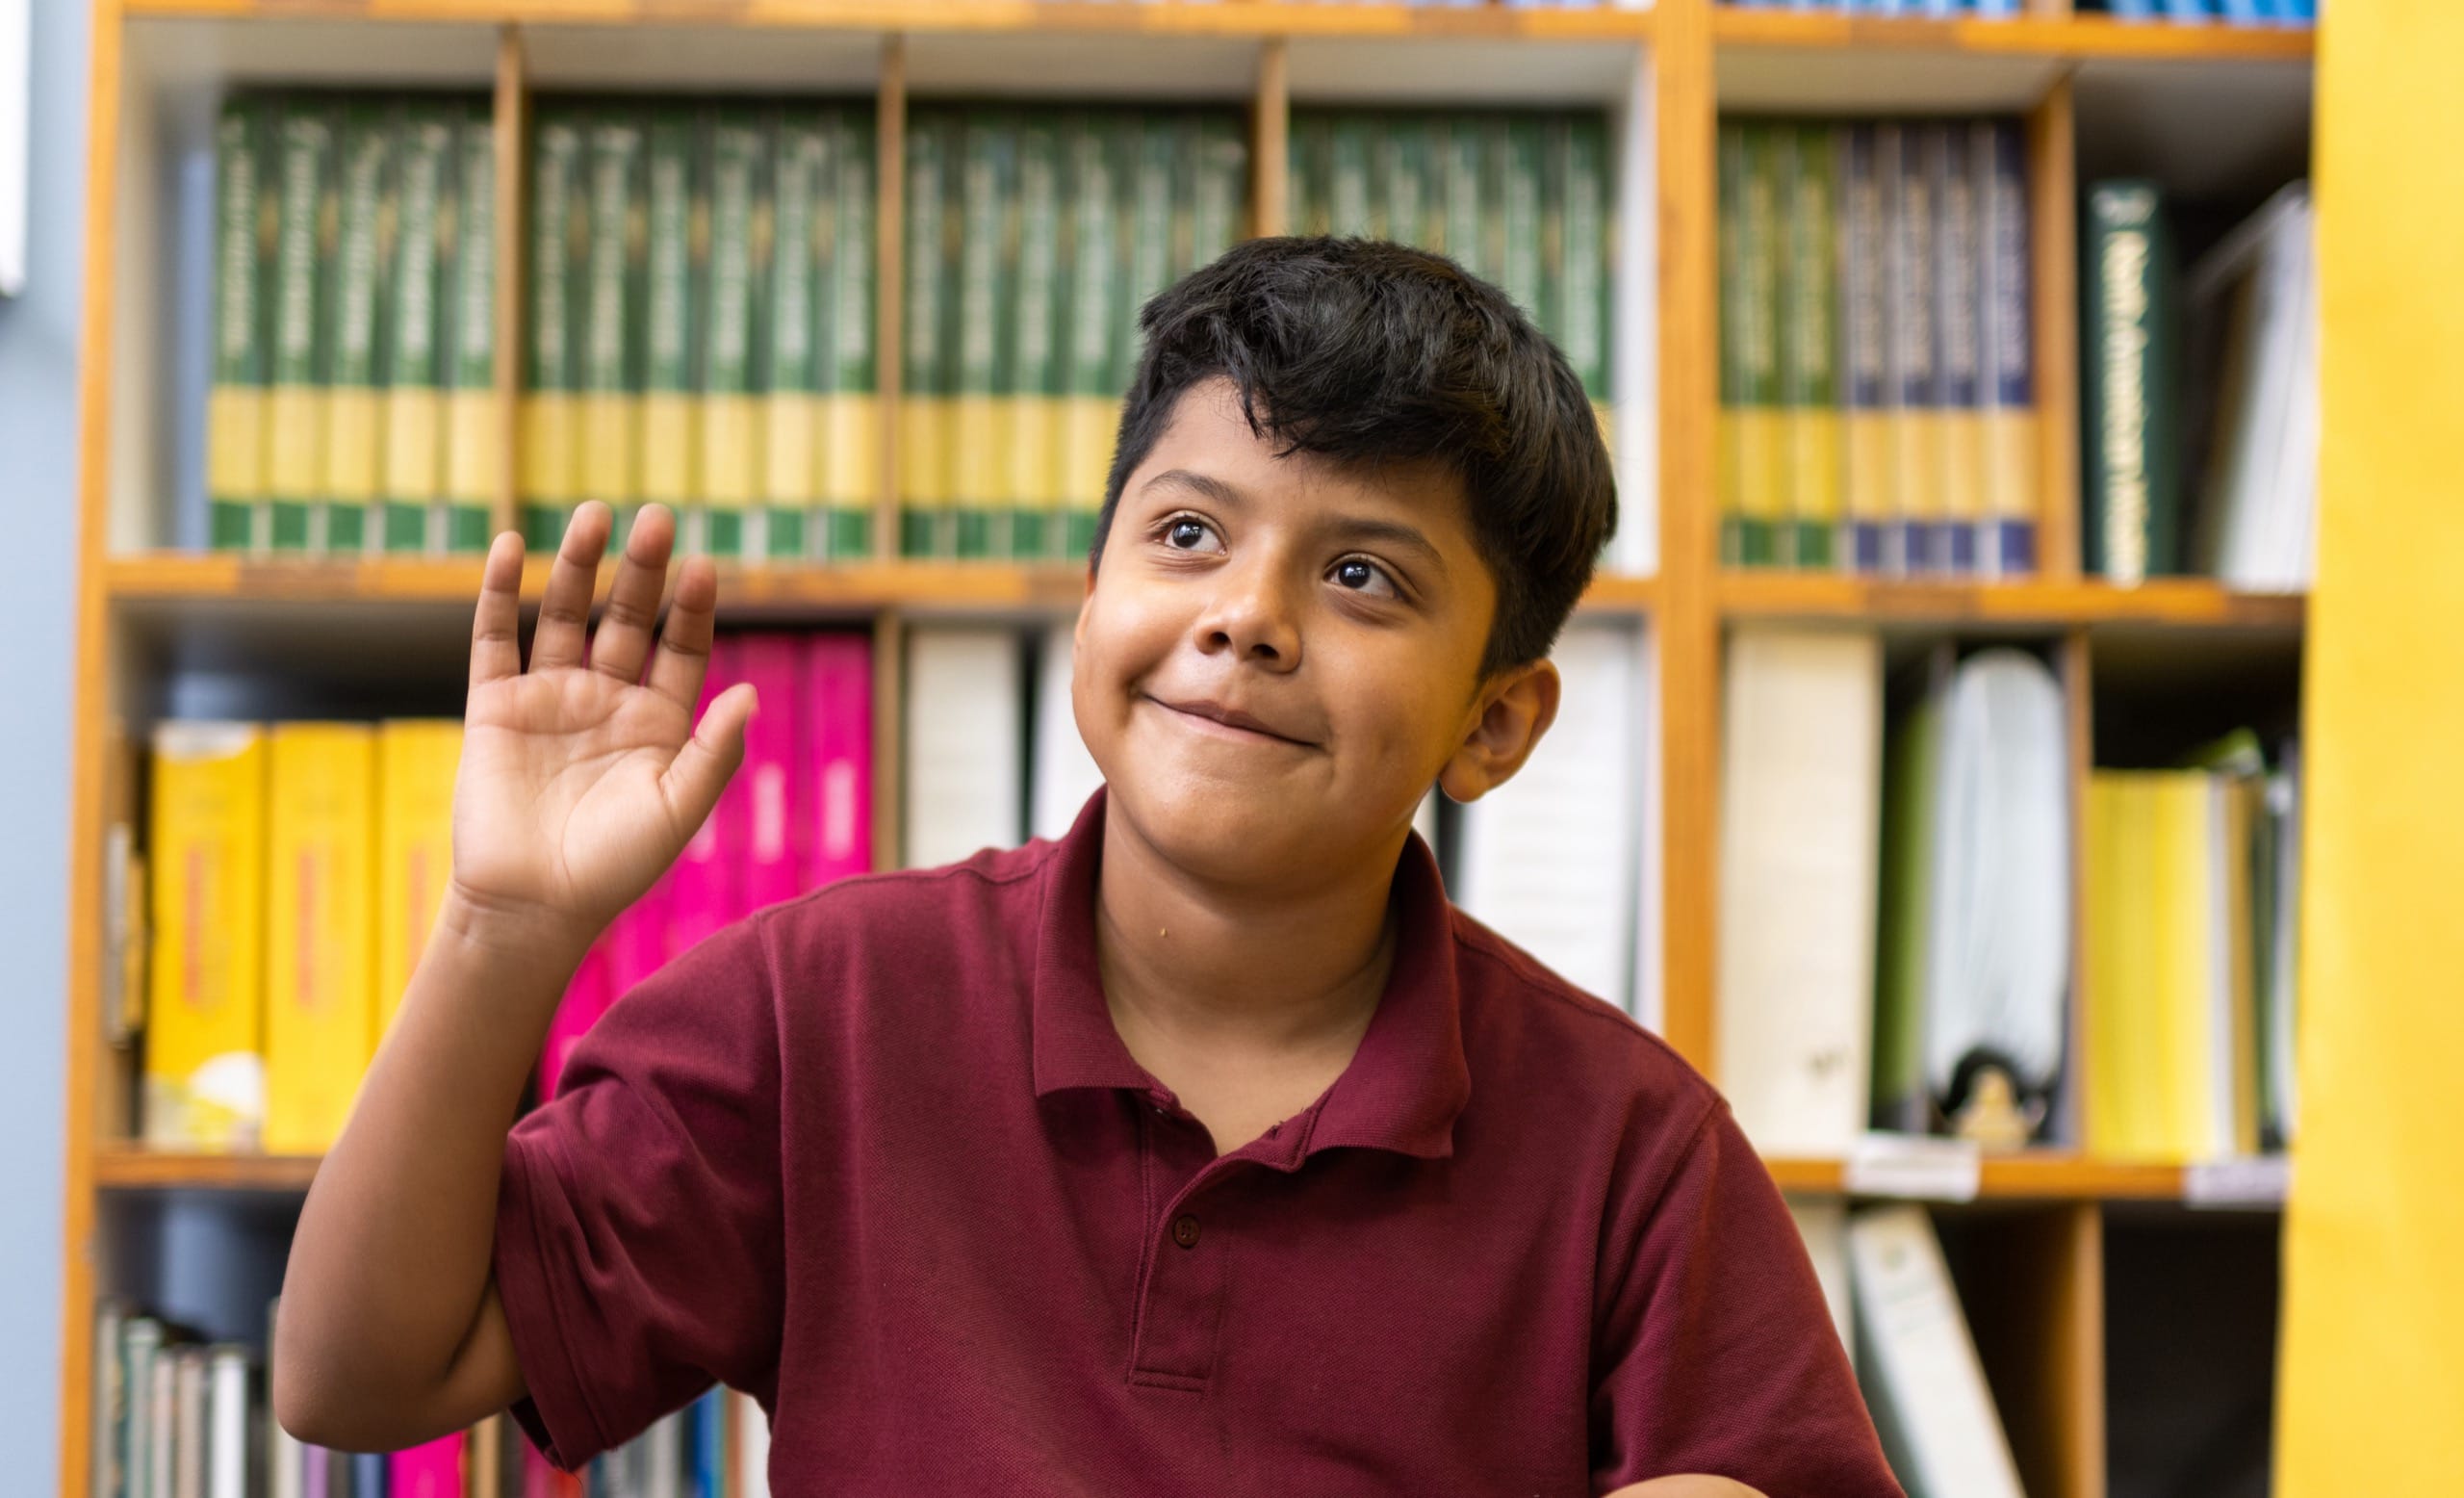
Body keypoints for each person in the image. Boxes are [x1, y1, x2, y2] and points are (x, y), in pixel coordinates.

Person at [273, 237, 1901, 1497]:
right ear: (1094, 586)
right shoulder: (828, 1005)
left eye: (1358, 574)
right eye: (1188, 533)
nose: (1245, 614)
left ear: (1495, 723)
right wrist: (502, 926)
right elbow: (359, 1378)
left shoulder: (1634, 1151)